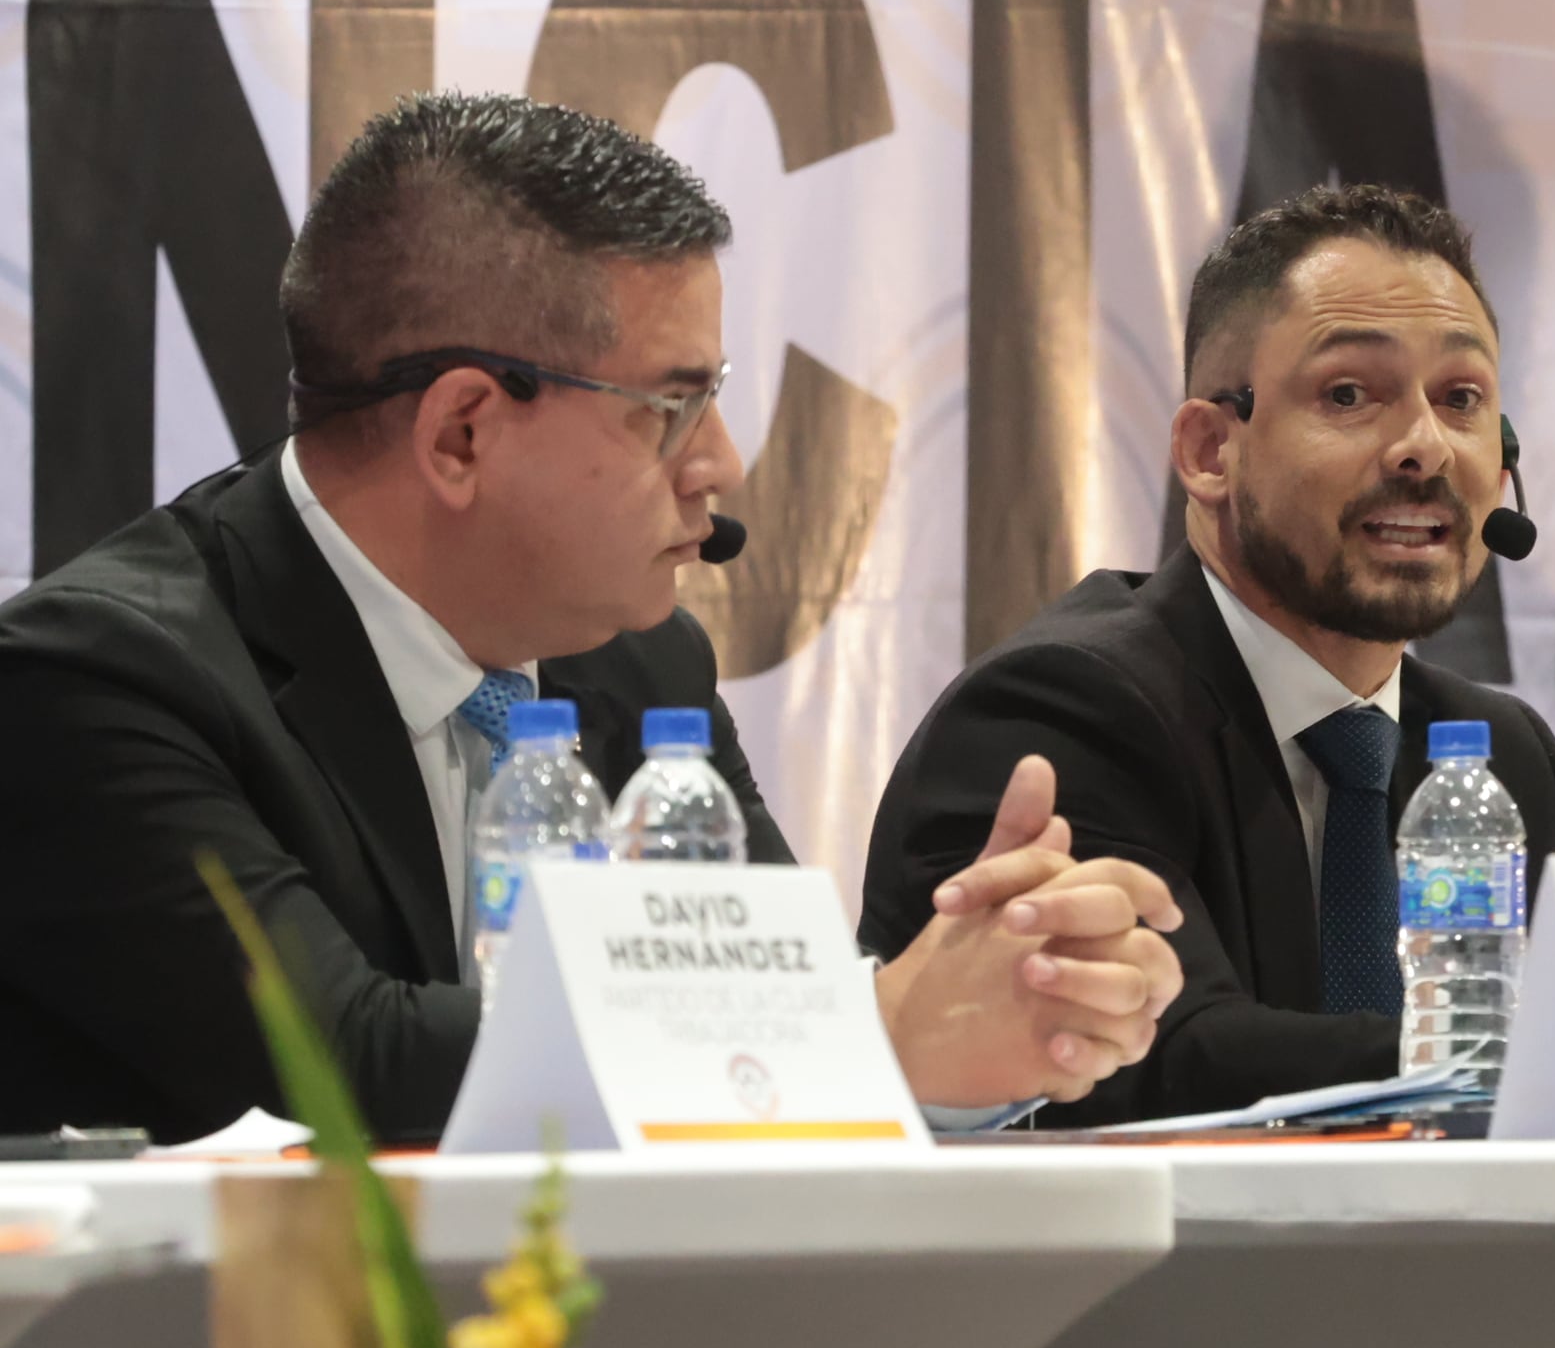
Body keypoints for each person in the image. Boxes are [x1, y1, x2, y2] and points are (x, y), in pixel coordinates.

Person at [0, 93, 1178, 1145]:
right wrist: (876, 1030)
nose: (718, 464)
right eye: (670, 408)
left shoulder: (643, 665)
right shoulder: (97, 677)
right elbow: (344, 1065)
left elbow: (762, 1020)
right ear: (461, 432)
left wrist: (993, 1024)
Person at [863, 184, 1555, 1125]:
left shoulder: (1499, 752)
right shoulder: (1066, 709)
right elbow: (1169, 1057)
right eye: (1350, 394)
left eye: (1462, 399)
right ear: (1209, 450)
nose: (1424, 449)